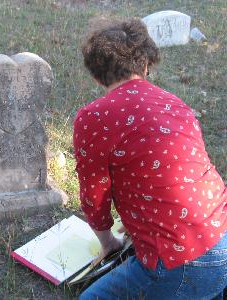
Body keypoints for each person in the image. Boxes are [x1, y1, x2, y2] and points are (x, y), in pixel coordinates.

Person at [73, 18, 227, 299]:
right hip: (222, 236)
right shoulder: (174, 102)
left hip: (180, 262)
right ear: (146, 66)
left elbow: (94, 196)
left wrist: (108, 243)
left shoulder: (93, 116)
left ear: (96, 76)